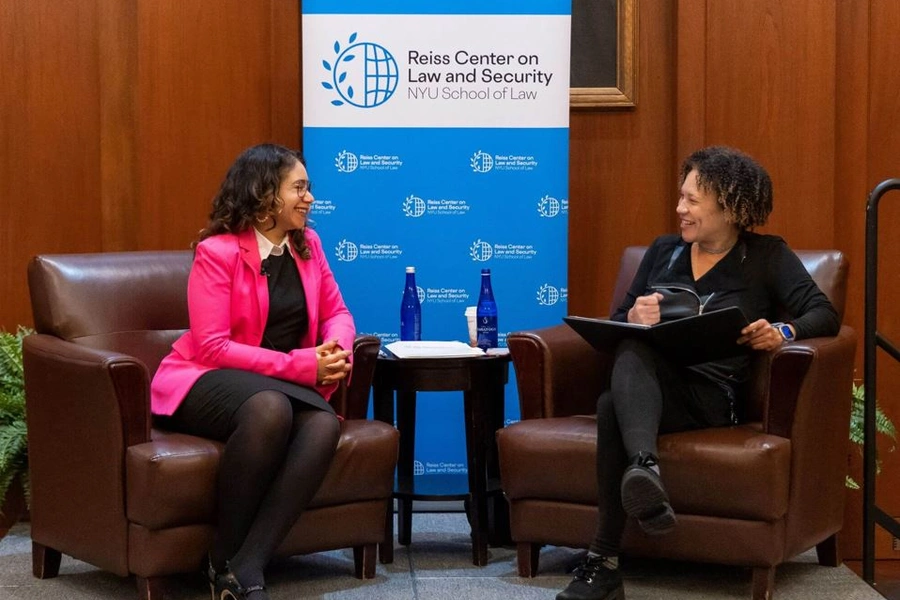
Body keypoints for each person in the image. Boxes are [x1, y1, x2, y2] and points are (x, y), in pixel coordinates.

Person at [556, 146, 840, 600]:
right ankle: (641, 476)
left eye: (691, 201)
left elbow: (823, 313)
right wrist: (634, 316)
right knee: (625, 363)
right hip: (654, 390)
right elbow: (619, 316)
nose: (679, 210)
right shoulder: (663, 251)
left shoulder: (766, 256)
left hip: (712, 396)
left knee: (613, 407)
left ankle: (604, 560)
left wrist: (783, 330)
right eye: (680, 198)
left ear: (729, 207)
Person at [150, 143, 355, 600]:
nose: (310, 198)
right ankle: (223, 556)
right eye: (298, 188)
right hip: (204, 378)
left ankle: (245, 565)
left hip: (281, 382)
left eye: (309, 188)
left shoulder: (309, 246)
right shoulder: (217, 253)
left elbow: (337, 312)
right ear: (265, 195)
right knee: (269, 409)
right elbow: (212, 346)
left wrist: (336, 350)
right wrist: (304, 365)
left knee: (322, 425)